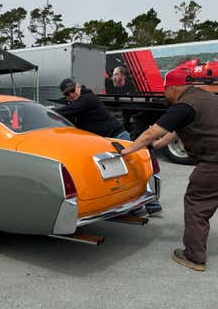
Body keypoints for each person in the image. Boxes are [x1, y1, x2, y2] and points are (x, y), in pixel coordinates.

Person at [120, 69, 218, 279]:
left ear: (173, 88)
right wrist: (157, 145)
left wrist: (126, 151)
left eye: (164, 91)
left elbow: (151, 132)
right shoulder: (204, 96)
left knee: (197, 203)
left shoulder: (183, 106)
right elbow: (176, 130)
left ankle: (194, 256)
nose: (163, 95)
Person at [56, 77, 162, 215]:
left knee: (135, 169)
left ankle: (153, 204)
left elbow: (67, 111)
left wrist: (47, 112)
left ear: (78, 87)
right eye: (67, 94)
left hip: (118, 138)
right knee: (122, 175)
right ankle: (136, 207)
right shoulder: (78, 102)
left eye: (72, 90)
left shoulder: (87, 98)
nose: (71, 94)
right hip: (106, 141)